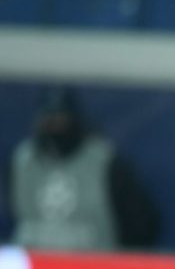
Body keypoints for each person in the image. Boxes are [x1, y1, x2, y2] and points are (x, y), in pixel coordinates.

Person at [5, 87, 160, 251]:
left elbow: (142, 224)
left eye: (61, 119)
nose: (54, 126)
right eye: (49, 119)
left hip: (92, 264)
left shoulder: (106, 164)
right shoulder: (21, 162)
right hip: (35, 263)